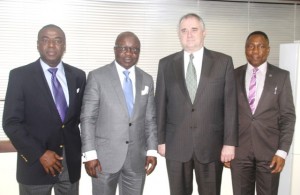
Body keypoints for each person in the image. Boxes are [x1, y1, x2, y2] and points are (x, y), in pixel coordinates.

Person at [155, 13, 238, 195]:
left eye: (194, 29)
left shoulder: (223, 62)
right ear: (179, 34)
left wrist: (229, 143)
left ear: (204, 32)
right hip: (176, 145)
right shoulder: (166, 64)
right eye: (184, 30)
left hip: (211, 145)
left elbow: (230, 106)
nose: (189, 34)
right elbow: (160, 104)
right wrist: (160, 140)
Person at [2, 24, 86, 195]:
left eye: (57, 40)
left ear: (64, 45)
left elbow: (78, 118)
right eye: (45, 40)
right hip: (35, 165)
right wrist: (39, 154)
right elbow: (11, 123)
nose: (51, 45)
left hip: (69, 165)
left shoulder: (78, 76)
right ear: (38, 44)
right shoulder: (20, 76)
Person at [80, 31, 157, 195]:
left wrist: (151, 151)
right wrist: (89, 154)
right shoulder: (97, 77)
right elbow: (88, 118)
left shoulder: (147, 79)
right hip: (103, 159)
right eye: (124, 48)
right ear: (115, 49)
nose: (129, 53)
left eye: (135, 49)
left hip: (137, 158)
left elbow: (150, 119)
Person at [230, 31, 296, 195]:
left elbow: (288, 117)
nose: (255, 51)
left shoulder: (281, 76)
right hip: (239, 152)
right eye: (251, 46)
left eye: (260, 46)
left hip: (270, 153)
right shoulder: (232, 75)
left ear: (268, 50)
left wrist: (282, 152)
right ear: (245, 49)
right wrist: (226, 147)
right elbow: (225, 115)